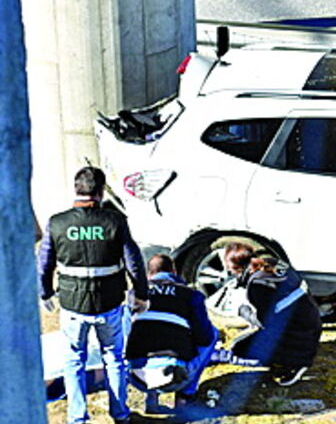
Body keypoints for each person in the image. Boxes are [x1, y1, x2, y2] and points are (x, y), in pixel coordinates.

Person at [37, 166, 149, 424]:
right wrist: (141, 294)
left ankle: (77, 418)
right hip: (109, 303)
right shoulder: (115, 221)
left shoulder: (57, 222)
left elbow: (44, 264)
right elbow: (134, 262)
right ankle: (121, 415)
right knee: (114, 359)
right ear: (100, 192)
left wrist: (45, 294)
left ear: (76, 189)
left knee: (74, 360)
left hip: (72, 305)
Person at [125, 254, 218, 414]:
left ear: (149, 275)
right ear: (174, 271)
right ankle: (185, 398)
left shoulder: (134, 295)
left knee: (140, 333)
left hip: (137, 378)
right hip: (175, 378)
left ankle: (151, 401)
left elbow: (124, 335)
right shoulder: (191, 296)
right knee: (213, 334)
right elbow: (205, 337)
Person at [219, 242, 322, 387]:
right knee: (243, 344)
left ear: (235, 268)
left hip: (300, 332)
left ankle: (296, 364)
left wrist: (244, 312)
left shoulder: (257, 285)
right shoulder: (271, 262)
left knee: (242, 350)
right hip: (310, 318)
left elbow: (265, 322)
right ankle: (293, 356)